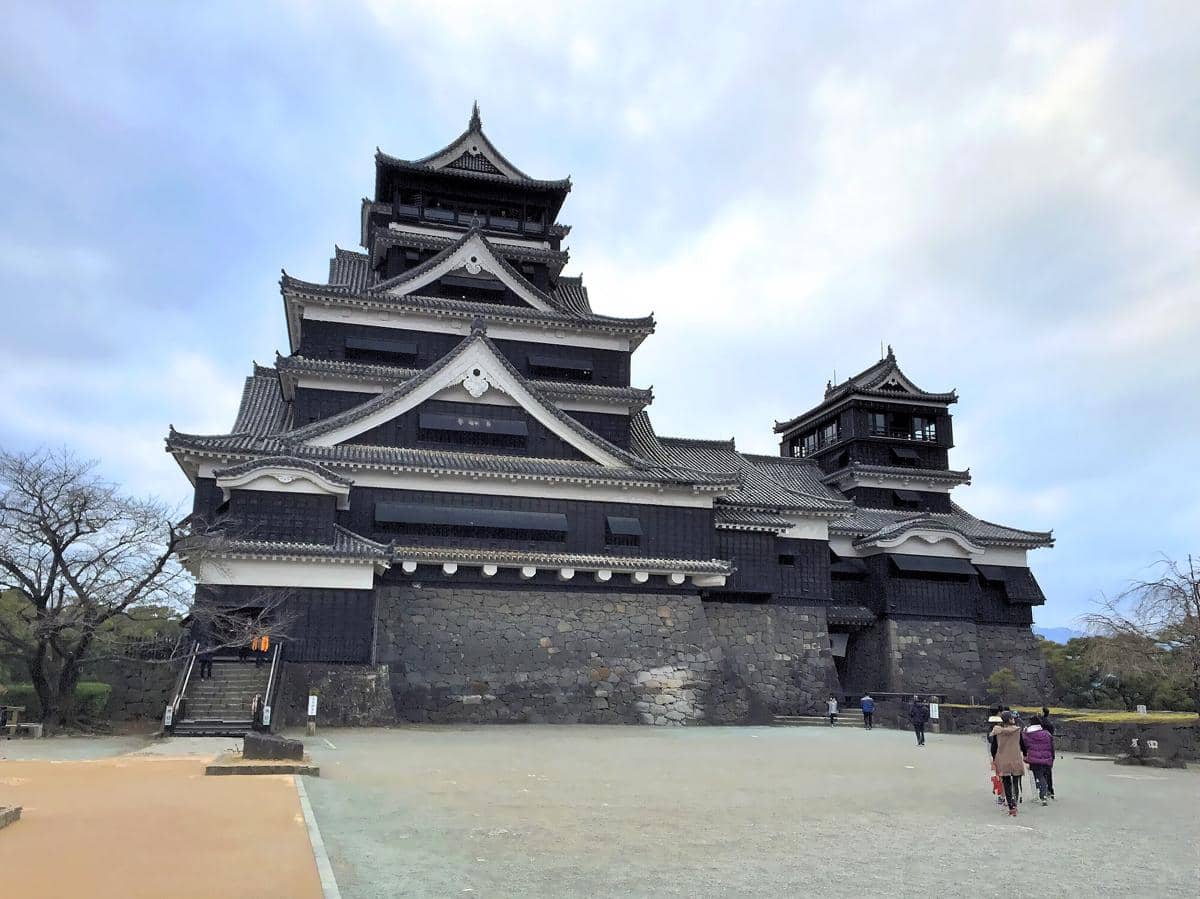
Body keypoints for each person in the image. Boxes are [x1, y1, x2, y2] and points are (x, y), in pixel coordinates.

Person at [990, 711, 1027, 816]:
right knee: (1016, 781)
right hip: (1015, 758)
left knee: (1006, 782)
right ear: (1011, 719)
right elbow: (1023, 744)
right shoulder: (1017, 731)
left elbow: (994, 747)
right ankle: (1015, 802)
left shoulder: (998, 732)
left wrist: (994, 758)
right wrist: (1025, 754)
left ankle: (1010, 805)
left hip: (1003, 759)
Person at [1023, 715, 1056, 804]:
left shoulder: (1027, 734)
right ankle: (1045, 791)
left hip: (1034, 759)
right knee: (1044, 775)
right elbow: (1051, 747)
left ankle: (1042, 794)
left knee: (1038, 776)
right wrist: (1052, 757)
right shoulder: (1047, 734)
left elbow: (1025, 746)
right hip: (1046, 758)